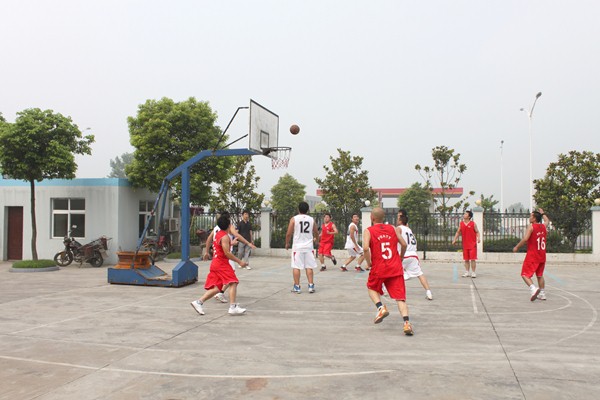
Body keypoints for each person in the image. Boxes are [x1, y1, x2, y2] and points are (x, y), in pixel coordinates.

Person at [363, 207, 413, 335]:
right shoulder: (392, 228)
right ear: (383, 217)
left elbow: (365, 248)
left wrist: (369, 263)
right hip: (395, 267)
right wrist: (401, 257)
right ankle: (407, 323)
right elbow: (404, 244)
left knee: (371, 288)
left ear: (372, 218)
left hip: (379, 267)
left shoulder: (368, 231)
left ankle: (380, 307)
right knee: (400, 298)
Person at [191, 214, 248, 316]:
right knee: (233, 282)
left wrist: (231, 243)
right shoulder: (225, 237)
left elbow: (220, 246)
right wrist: (239, 261)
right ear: (228, 225)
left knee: (218, 288)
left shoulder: (218, 234)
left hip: (216, 263)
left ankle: (198, 302)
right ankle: (233, 307)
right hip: (221, 264)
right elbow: (227, 253)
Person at [203, 211, 256, 303]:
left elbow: (209, 240)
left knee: (222, 281)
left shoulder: (216, 228)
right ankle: (226, 299)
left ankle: (201, 301)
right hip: (224, 258)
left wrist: (207, 252)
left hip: (217, 258)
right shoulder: (227, 230)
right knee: (232, 280)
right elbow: (236, 236)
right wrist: (247, 243)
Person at [513, 208, 550, 301]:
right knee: (540, 275)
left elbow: (525, 239)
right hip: (542, 255)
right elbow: (547, 221)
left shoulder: (531, 226)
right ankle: (542, 294)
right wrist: (543, 213)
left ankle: (533, 289)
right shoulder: (543, 226)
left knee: (524, 274)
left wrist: (517, 247)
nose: (529, 218)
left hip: (533, 255)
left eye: (531, 216)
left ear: (534, 218)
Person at [285, 201, 319, 294]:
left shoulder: (294, 219)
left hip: (298, 247)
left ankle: (297, 287)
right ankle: (311, 286)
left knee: (296, 267)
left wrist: (287, 243)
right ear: (308, 210)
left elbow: (288, 233)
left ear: (298, 209)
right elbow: (316, 232)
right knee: (309, 266)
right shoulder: (311, 219)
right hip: (309, 247)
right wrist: (317, 241)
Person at [398, 214, 433, 300]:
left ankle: (385, 289)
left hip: (404, 254)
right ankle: (428, 292)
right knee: (419, 274)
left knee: (391, 272)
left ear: (400, 221)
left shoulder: (399, 228)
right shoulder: (409, 230)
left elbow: (398, 240)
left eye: (398, 219)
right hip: (413, 255)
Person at [452, 210, 481, 278]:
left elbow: (477, 232)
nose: (464, 215)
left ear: (469, 216)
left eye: (466, 214)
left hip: (472, 244)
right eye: (464, 214)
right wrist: (454, 239)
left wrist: (478, 238)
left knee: (473, 259)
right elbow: (458, 232)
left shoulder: (473, 224)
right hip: (465, 244)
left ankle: (473, 272)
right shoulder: (461, 223)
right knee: (466, 259)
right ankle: (467, 272)